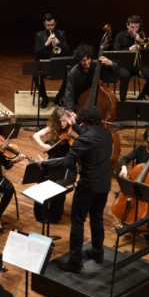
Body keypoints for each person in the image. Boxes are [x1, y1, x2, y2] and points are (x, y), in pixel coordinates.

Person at [46, 106, 112, 273]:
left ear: (84, 120)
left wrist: (45, 163)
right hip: (104, 184)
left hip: (88, 186)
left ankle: (75, 262)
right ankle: (98, 252)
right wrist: (74, 125)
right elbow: (87, 135)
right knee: (97, 218)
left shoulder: (83, 140)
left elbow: (68, 162)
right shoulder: (106, 134)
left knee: (78, 221)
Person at [31, 107, 78, 224]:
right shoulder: (53, 128)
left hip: (66, 167)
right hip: (52, 163)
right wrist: (43, 145)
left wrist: (73, 121)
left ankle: (54, 216)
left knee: (58, 187)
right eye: (60, 121)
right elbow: (36, 135)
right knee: (41, 182)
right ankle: (41, 215)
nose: (62, 124)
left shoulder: (72, 130)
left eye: (64, 121)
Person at [112, 15, 149, 102]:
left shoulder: (140, 37)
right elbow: (116, 52)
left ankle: (141, 96)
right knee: (125, 76)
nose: (134, 30)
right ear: (127, 25)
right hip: (122, 65)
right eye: (132, 27)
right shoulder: (120, 36)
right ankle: (123, 100)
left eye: (136, 27)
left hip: (136, 66)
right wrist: (129, 49)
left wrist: (140, 41)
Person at [62, 44, 117, 113]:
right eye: (83, 60)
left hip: (97, 100)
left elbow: (116, 71)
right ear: (79, 60)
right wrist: (70, 111)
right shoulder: (74, 72)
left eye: (88, 59)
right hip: (80, 102)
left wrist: (112, 63)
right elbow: (69, 93)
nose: (86, 62)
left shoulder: (97, 65)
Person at [33, 13, 71, 108]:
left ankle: (59, 96)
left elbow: (68, 51)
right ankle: (44, 97)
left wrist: (59, 43)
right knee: (35, 74)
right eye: (48, 25)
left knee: (70, 74)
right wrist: (46, 43)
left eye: (52, 25)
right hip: (45, 66)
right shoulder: (39, 35)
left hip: (58, 66)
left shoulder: (62, 34)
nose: (50, 27)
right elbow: (36, 54)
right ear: (44, 24)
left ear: (55, 23)